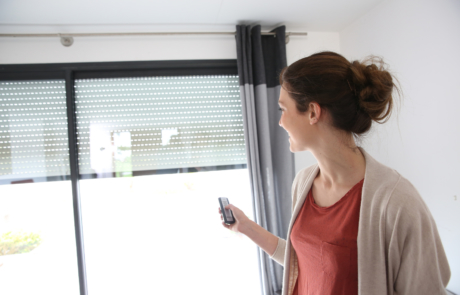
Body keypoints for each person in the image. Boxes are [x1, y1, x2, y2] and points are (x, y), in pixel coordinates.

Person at [218, 51, 451, 295]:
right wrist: (246, 227)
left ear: (312, 112)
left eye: (282, 110)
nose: (280, 122)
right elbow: (306, 261)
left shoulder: (397, 202)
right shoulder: (303, 183)